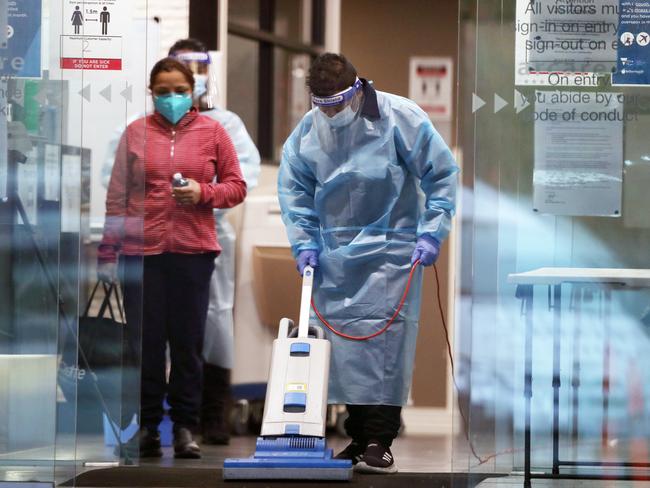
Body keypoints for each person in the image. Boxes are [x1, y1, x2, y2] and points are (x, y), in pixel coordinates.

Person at [277, 53, 458, 474]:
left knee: (385, 346)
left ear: (358, 89)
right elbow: (295, 190)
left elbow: (441, 174)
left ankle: (380, 439)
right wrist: (304, 242)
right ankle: (358, 438)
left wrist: (431, 231)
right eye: (322, 105)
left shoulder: (400, 116)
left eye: (338, 103)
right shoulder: (308, 130)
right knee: (344, 350)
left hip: (390, 252)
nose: (332, 113)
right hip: (334, 257)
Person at [98, 57, 247, 459]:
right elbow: (117, 197)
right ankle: (147, 426)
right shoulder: (135, 133)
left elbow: (236, 186)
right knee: (144, 345)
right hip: (141, 253)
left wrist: (204, 193)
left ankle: (185, 426)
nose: (171, 98)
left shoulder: (213, 133)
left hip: (193, 252)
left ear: (192, 90)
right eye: (162, 92)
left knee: (187, 344)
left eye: (179, 91)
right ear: (152, 93)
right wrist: (108, 251)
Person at [168, 38, 260, 445]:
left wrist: (206, 197)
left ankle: (213, 410)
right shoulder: (147, 124)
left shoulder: (226, 123)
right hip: (163, 237)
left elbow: (245, 174)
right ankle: (175, 415)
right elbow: (118, 175)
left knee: (216, 316)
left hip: (211, 233)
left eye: (198, 68)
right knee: (166, 322)